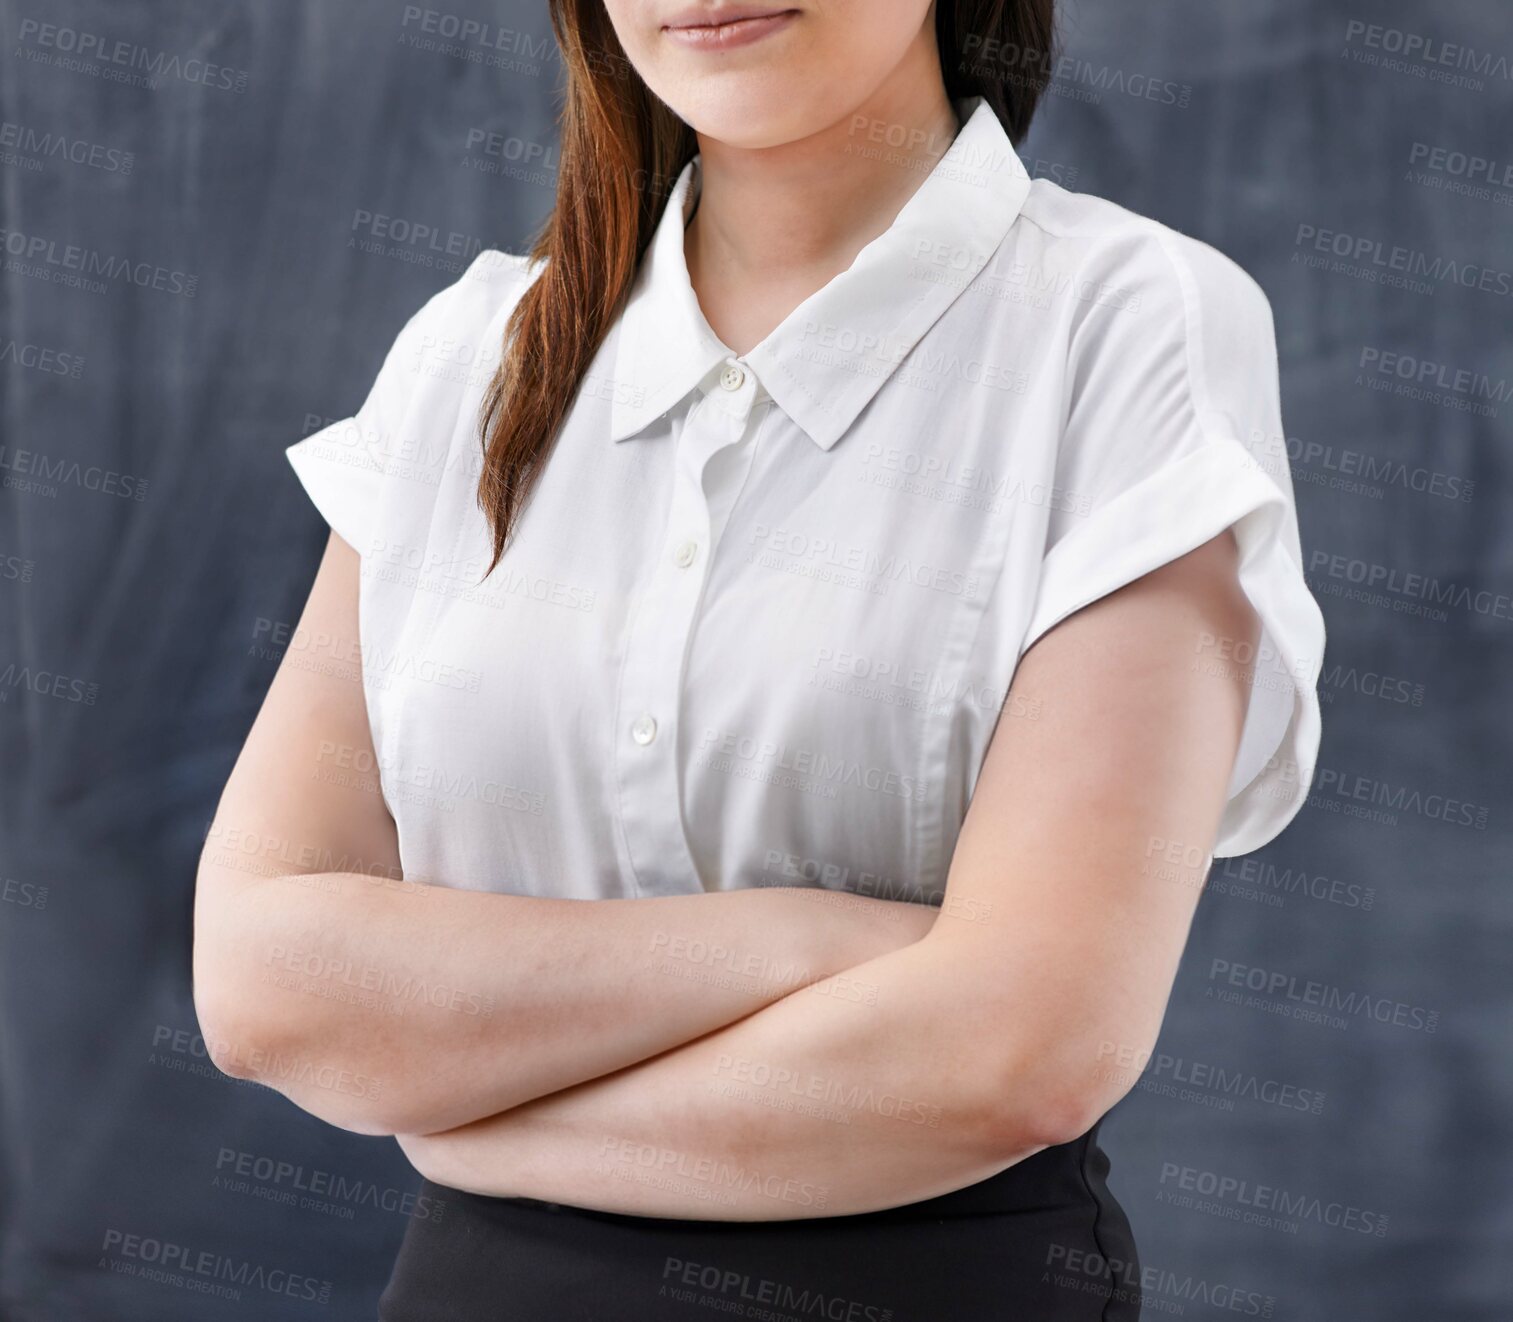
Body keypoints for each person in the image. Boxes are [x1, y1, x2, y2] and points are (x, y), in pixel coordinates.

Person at [192, 1, 1326, 1316]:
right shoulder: (473, 358)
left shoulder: (1121, 325)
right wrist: (802, 940)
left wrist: (470, 1119)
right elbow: (265, 981)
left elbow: (1022, 1049)